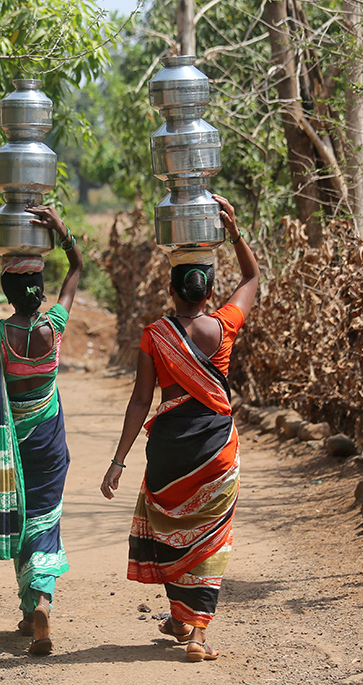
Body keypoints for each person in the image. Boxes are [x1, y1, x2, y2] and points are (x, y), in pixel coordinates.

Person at [99, 194, 259, 663]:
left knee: (170, 529)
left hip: (168, 451)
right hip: (216, 450)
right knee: (210, 534)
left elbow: (139, 401)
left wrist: (118, 460)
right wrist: (233, 231)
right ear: (210, 292)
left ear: (171, 290)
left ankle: (180, 615)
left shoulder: (155, 335)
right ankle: (195, 634)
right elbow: (251, 278)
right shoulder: (224, 327)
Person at [0, 204, 82, 656]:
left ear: (7, 292)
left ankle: (32, 610)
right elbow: (78, 269)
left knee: (20, 516)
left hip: (11, 443)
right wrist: (61, 231)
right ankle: (42, 599)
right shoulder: (55, 328)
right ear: (40, 291)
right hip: (48, 437)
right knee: (46, 518)